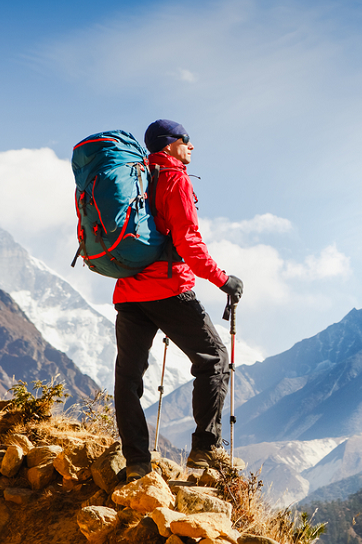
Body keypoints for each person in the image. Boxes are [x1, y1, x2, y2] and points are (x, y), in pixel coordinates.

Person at [113, 119, 243, 481]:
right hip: (169, 290)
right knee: (214, 358)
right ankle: (204, 451)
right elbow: (187, 240)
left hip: (128, 292)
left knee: (128, 378)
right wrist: (223, 280)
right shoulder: (173, 179)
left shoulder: (132, 176)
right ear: (170, 144)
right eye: (186, 139)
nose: (191, 145)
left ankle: (136, 462)